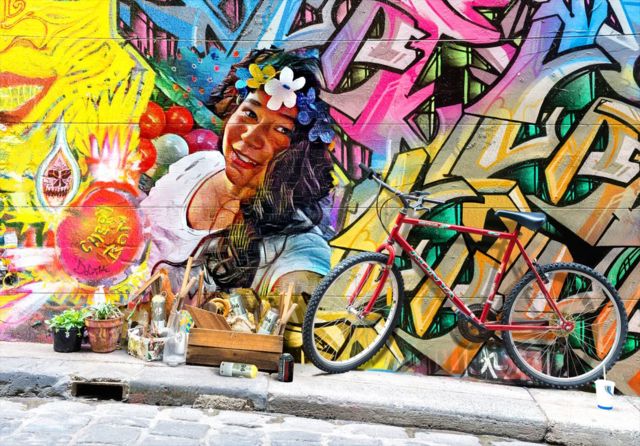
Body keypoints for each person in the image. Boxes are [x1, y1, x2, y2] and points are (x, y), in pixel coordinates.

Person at [141, 49, 335, 299]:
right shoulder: (197, 166)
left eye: (281, 129)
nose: (250, 137)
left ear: (301, 152)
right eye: (250, 113)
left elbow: (303, 289)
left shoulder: (297, 243)